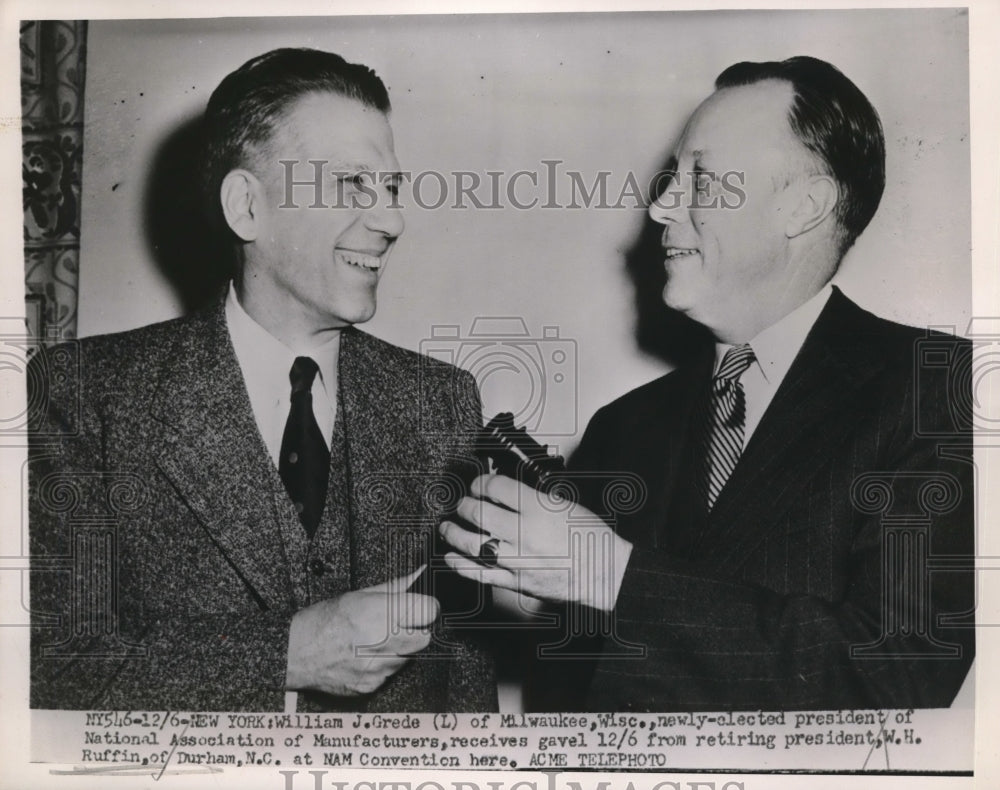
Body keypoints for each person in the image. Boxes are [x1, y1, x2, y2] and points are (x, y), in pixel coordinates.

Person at [440, 56, 975, 711]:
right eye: (672, 177)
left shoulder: (939, 386)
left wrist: (612, 577)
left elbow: (900, 675)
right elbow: (567, 703)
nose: (662, 205)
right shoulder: (623, 427)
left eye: (702, 178)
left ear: (804, 206)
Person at [29, 48, 496, 712]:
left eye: (390, 189)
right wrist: (289, 654)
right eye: (351, 185)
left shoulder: (443, 403)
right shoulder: (84, 397)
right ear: (247, 208)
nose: (393, 221)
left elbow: (464, 688)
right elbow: (46, 673)